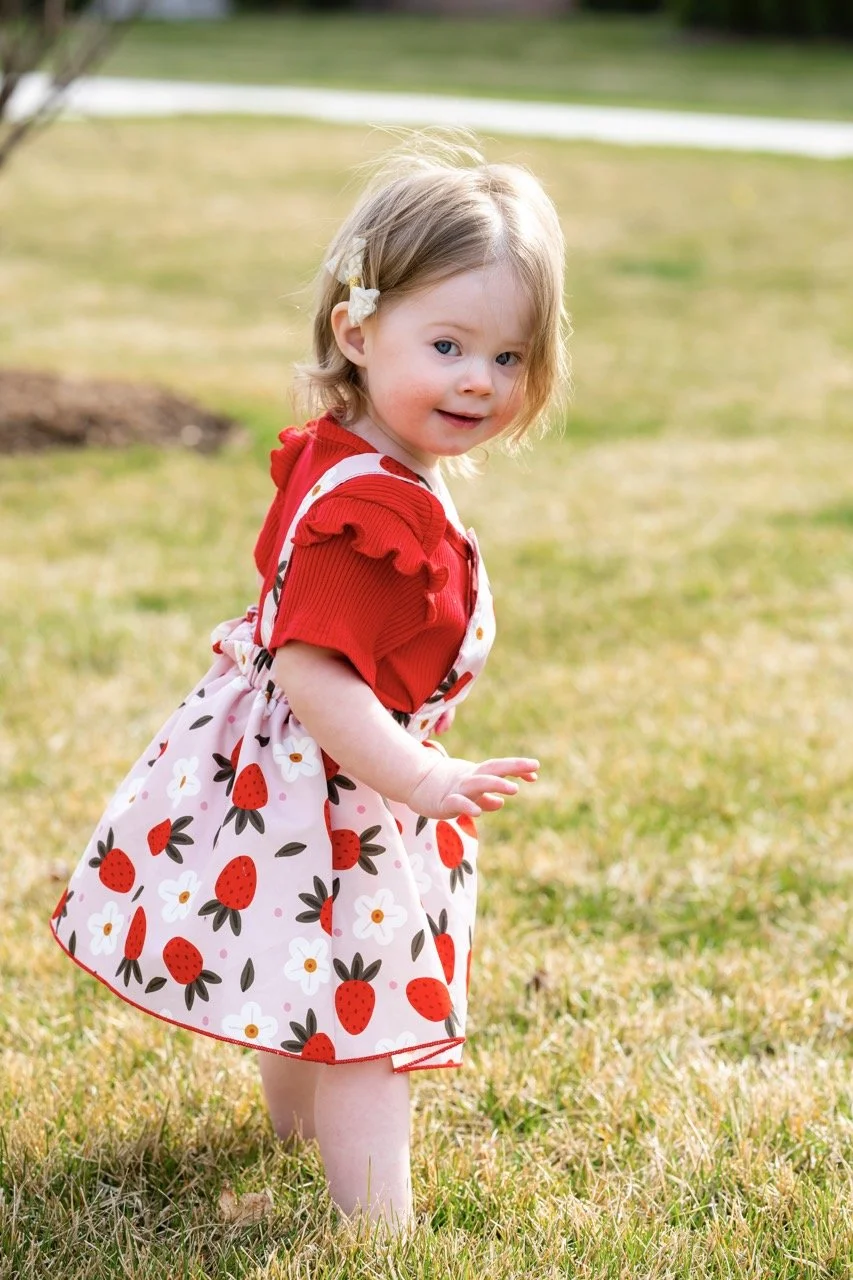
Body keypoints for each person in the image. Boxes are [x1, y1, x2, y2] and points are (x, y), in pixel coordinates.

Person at [50, 135, 568, 1231]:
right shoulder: (368, 512)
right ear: (357, 329)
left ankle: (296, 1134)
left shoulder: (350, 456)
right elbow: (313, 669)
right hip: (330, 785)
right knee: (368, 1014)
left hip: (287, 775)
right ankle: (378, 1227)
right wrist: (415, 775)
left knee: (303, 964)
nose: (478, 378)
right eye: (447, 343)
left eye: (508, 358)